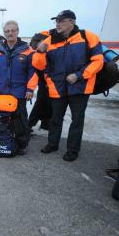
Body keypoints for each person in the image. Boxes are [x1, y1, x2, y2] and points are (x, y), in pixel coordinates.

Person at [32, 10, 104, 161]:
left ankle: (72, 150)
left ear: (72, 22)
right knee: (55, 119)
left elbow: (98, 61)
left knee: (77, 120)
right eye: (56, 21)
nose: (57, 24)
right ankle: (52, 144)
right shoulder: (49, 40)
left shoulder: (87, 36)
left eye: (61, 21)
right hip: (57, 87)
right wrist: (40, 52)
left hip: (80, 87)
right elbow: (38, 65)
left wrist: (78, 75)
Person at [0, 20, 38, 155]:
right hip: (2, 92)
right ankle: (5, 141)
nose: (10, 33)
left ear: (17, 31)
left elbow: (33, 72)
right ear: (4, 33)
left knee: (21, 120)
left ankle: (22, 144)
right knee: (3, 119)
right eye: (7, 31)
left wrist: (30, 89)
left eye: (13, 30)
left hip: (19, 92)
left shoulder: (28, 51)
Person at [28, 32, 52, 133]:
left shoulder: (43, 36)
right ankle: (30, 124)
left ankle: (43, 125)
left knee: (45, 102)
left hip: (45, 78)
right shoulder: (48, 38)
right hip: (46, 77)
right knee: (42, 102)